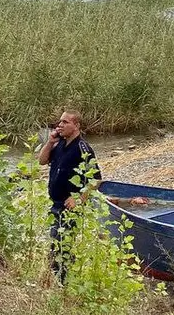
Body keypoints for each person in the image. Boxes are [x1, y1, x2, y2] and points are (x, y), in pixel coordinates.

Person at [36, 110, 147, 282]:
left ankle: (62, 281)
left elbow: (95, 180)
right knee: (55, 243)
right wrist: (50, 142)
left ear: (76, 126)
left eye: (65, 122)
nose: (60, 125)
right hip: (55, 203)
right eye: (59, 122)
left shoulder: (83, 148)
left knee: (62, 244)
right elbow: (42, 161)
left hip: (69, 207)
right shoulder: (58, 145)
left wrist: (78, 199)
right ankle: (59, 278)